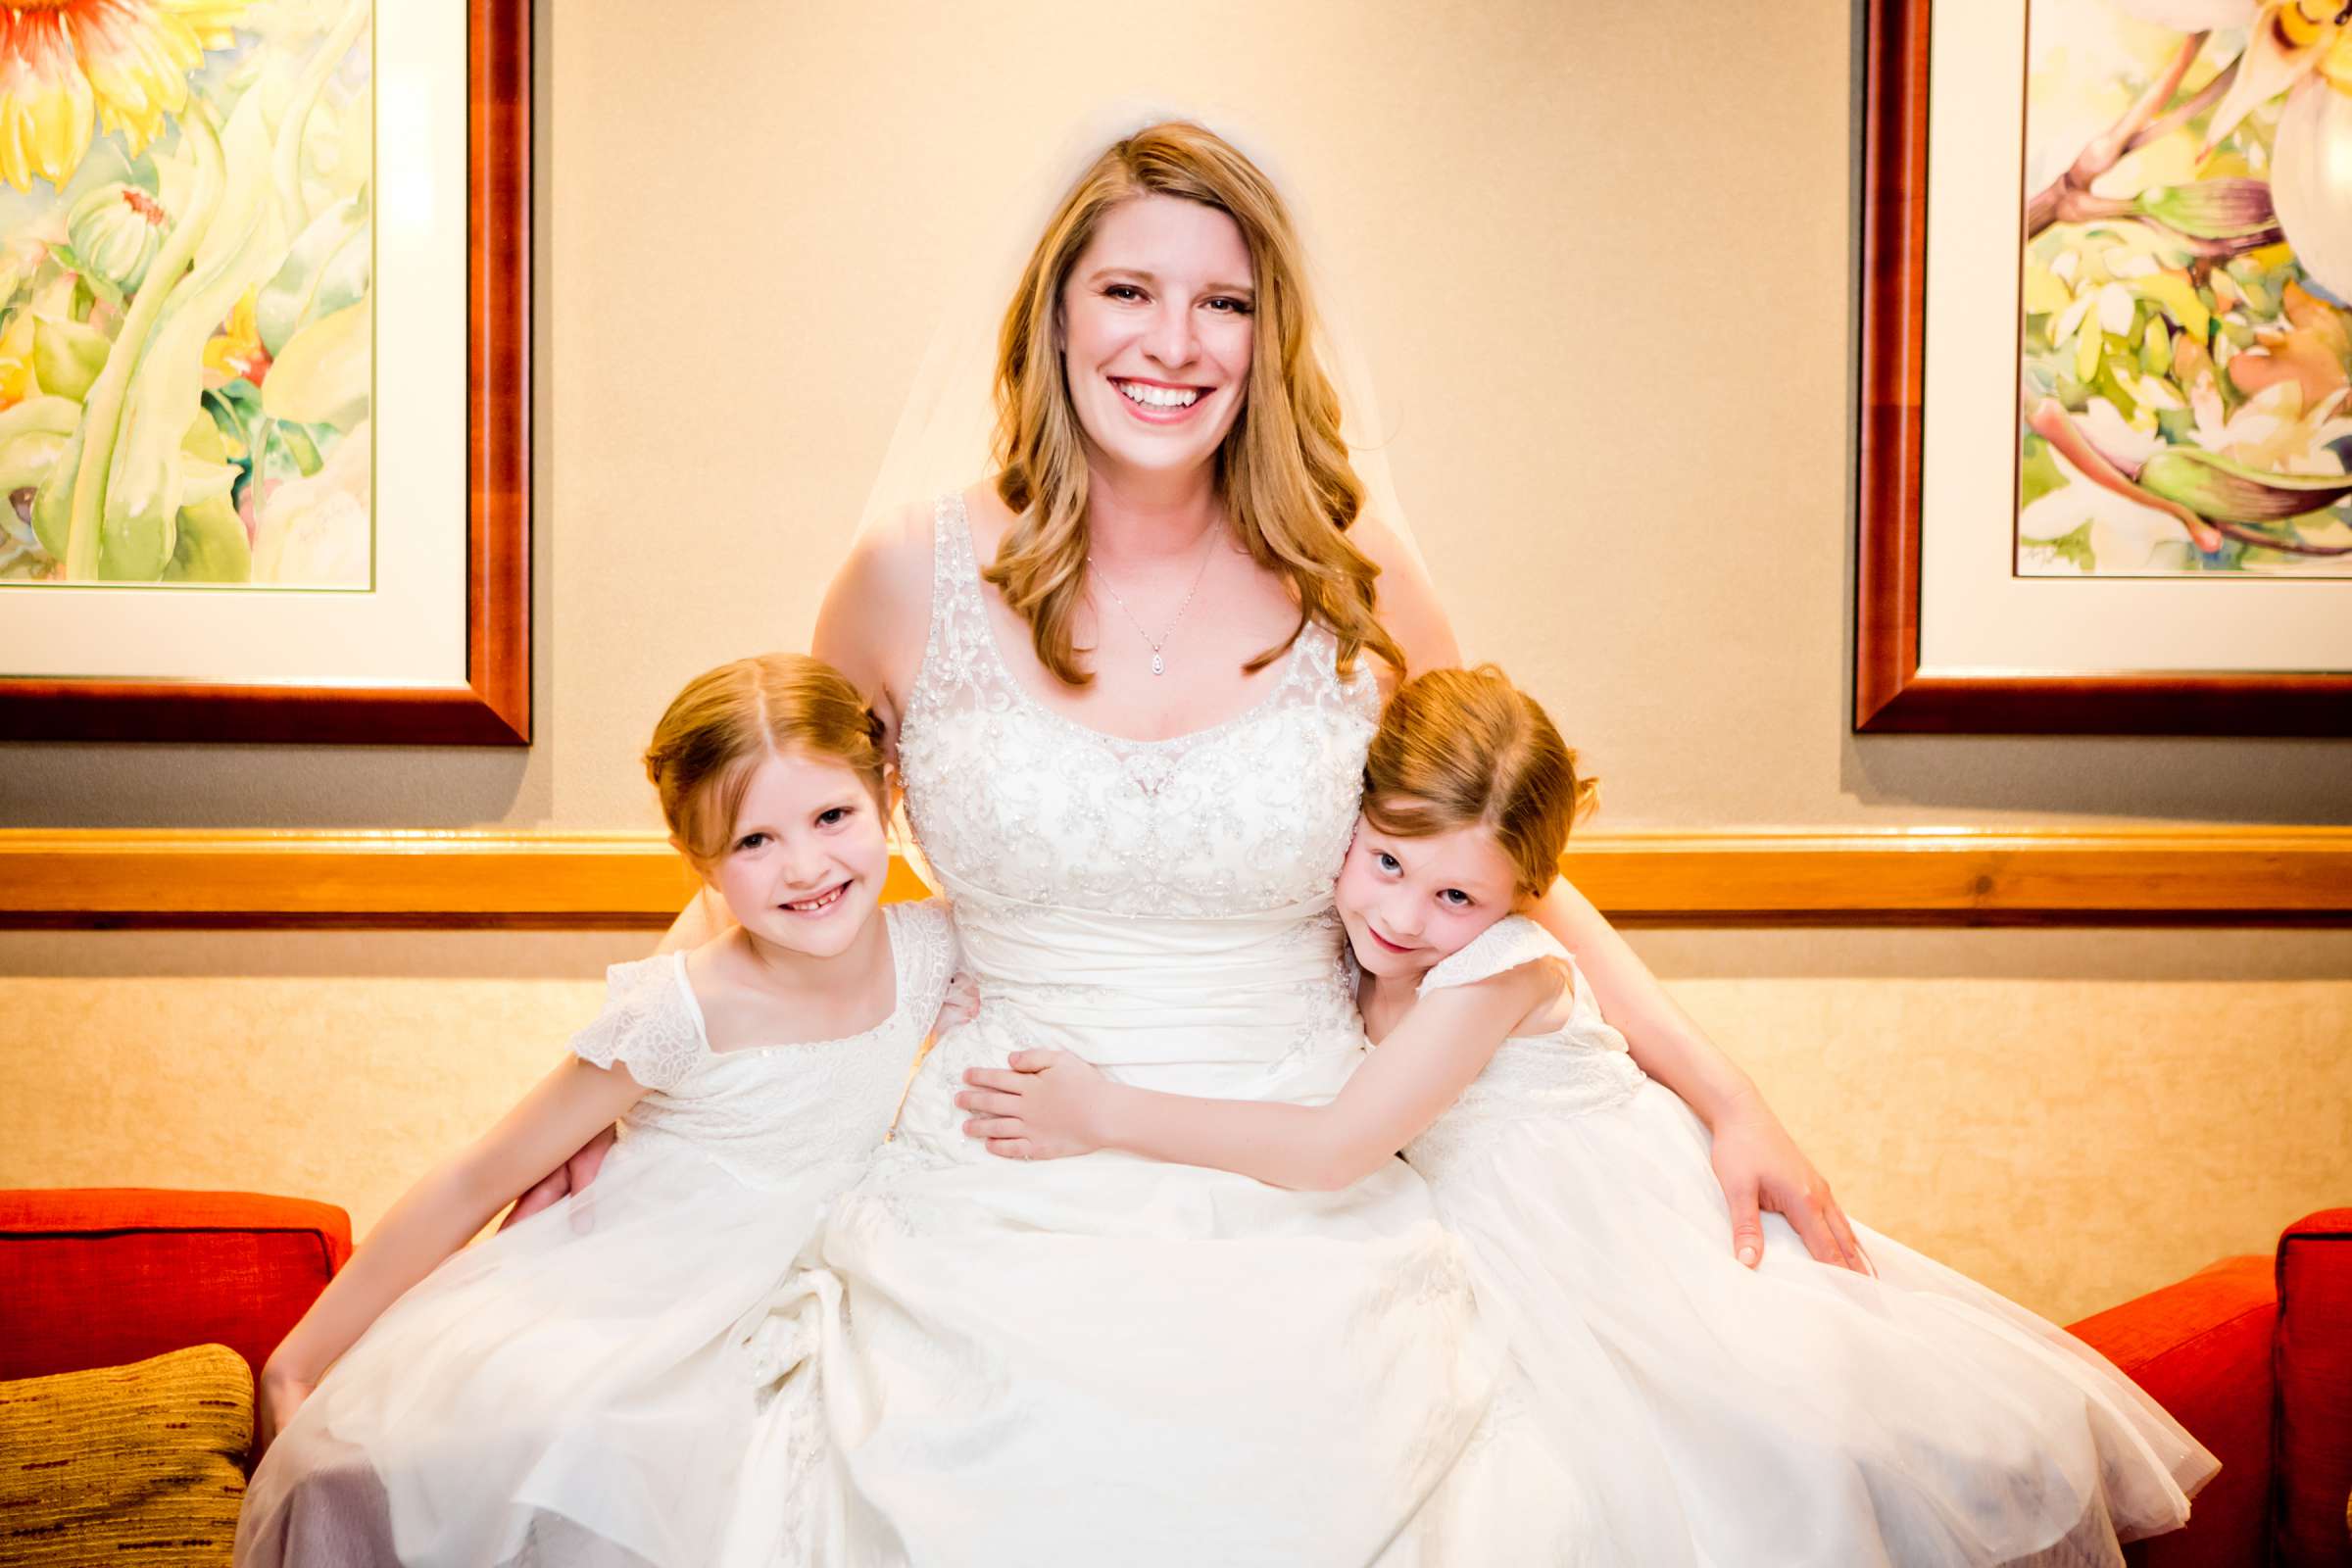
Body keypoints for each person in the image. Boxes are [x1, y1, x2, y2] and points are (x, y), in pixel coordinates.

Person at [529, 119, 1874, 1563]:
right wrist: (629, 1077)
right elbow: (772, 857)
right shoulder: (902, 576)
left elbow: (1497, 876)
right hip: (993, 1155)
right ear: (1052, 312)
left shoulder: (1360, 582)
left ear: (1268, 335)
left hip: (1314, 1153)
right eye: (1127, 291)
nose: (1173, 342)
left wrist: (1725, 1090)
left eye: (1223, 303)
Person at [956, 663, 2222, 1566]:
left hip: (1626, 1249)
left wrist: (1103, 1111)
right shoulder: (1381, 923)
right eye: (1387, 863)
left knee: (1758, 1483)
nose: (1401, 916)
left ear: (1518, 897)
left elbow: (1336, 1145)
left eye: (1455, 895)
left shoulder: (1494, 971)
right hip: (1510, 1242)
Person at [235, 654, 957, 1568]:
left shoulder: (936, 947)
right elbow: (475, 1177)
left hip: (828, 1289)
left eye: (831, 816)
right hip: (644, 1299)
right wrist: (294, 1363)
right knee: (507, 1468)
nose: (806, 866)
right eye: (752, 842)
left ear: (884, 798)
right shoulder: (675, 1010)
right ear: (698, 861)